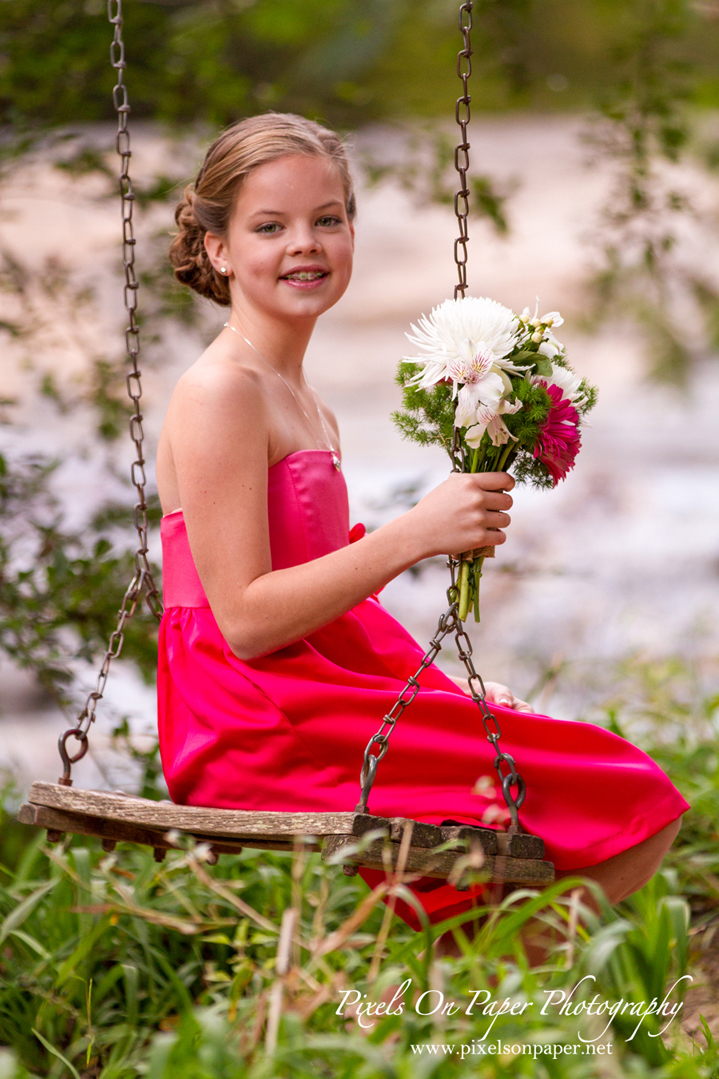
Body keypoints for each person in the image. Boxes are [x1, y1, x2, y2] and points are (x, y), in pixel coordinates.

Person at [157, 112, 687, 932]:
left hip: (312, 689)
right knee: (623, 794)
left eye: (326, 219)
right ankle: (465, 997)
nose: (305, 243)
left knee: (610, 800)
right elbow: (249, 620)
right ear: (219, 247)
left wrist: (436, 687)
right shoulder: (220, 391)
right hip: (252, 717)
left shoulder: (306, 403)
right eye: (270, 226)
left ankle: (453, 994)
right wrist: (415, 531)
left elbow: (335, 613)